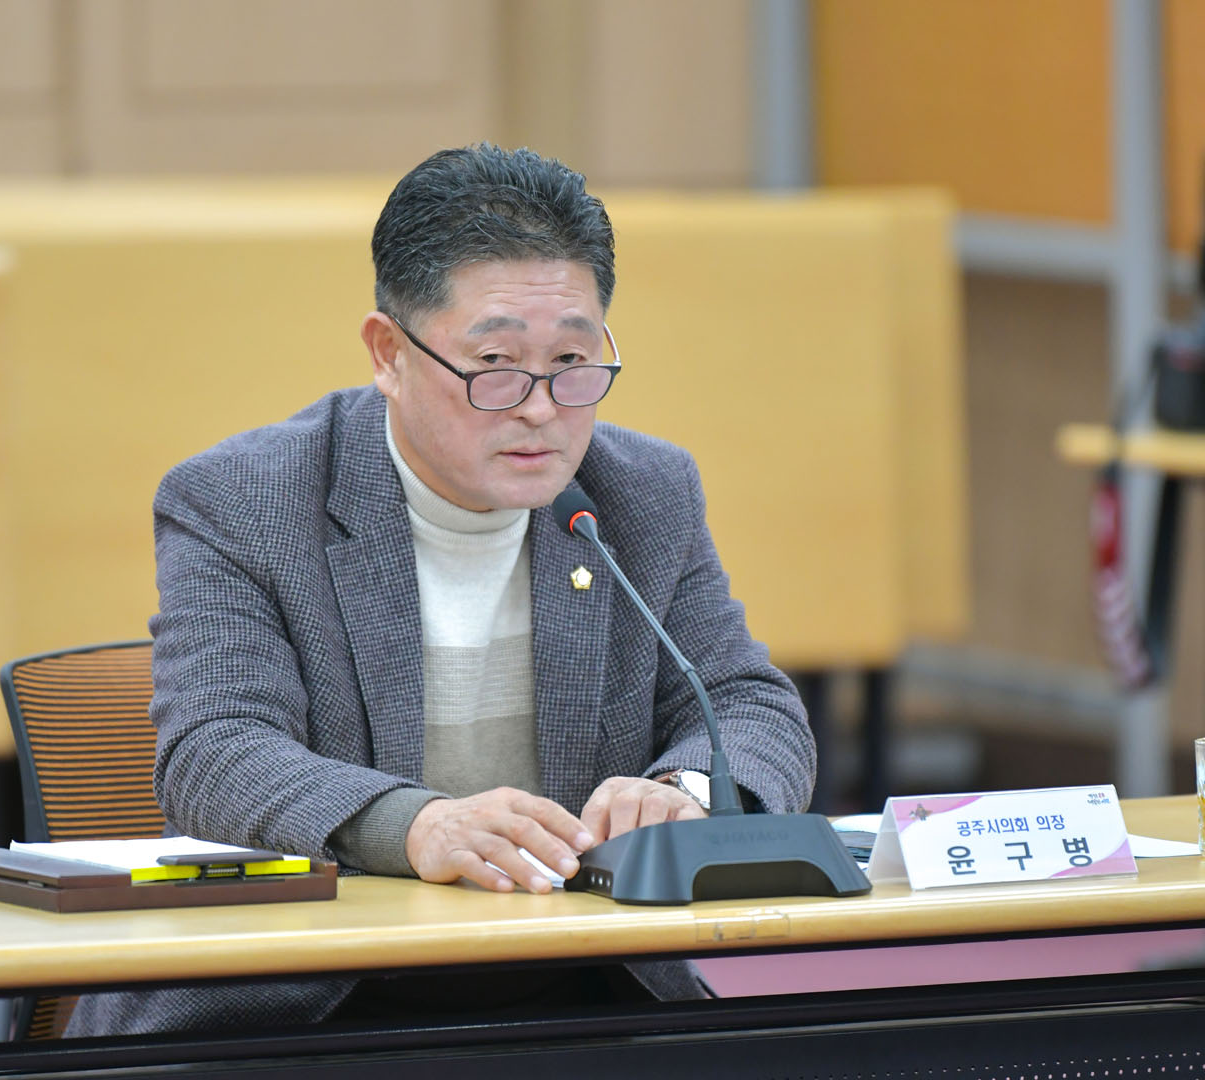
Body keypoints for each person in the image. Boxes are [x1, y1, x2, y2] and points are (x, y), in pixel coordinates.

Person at [67, 143, 814, 1037]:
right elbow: (215, 752)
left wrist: (684, 788)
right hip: (291, 1007)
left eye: (573, 360)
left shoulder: (641, 494)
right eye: (496, 363)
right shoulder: (244, 501)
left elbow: (748, 703)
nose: (541, 406)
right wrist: (417, 826)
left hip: (577, 995)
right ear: (389, 353)